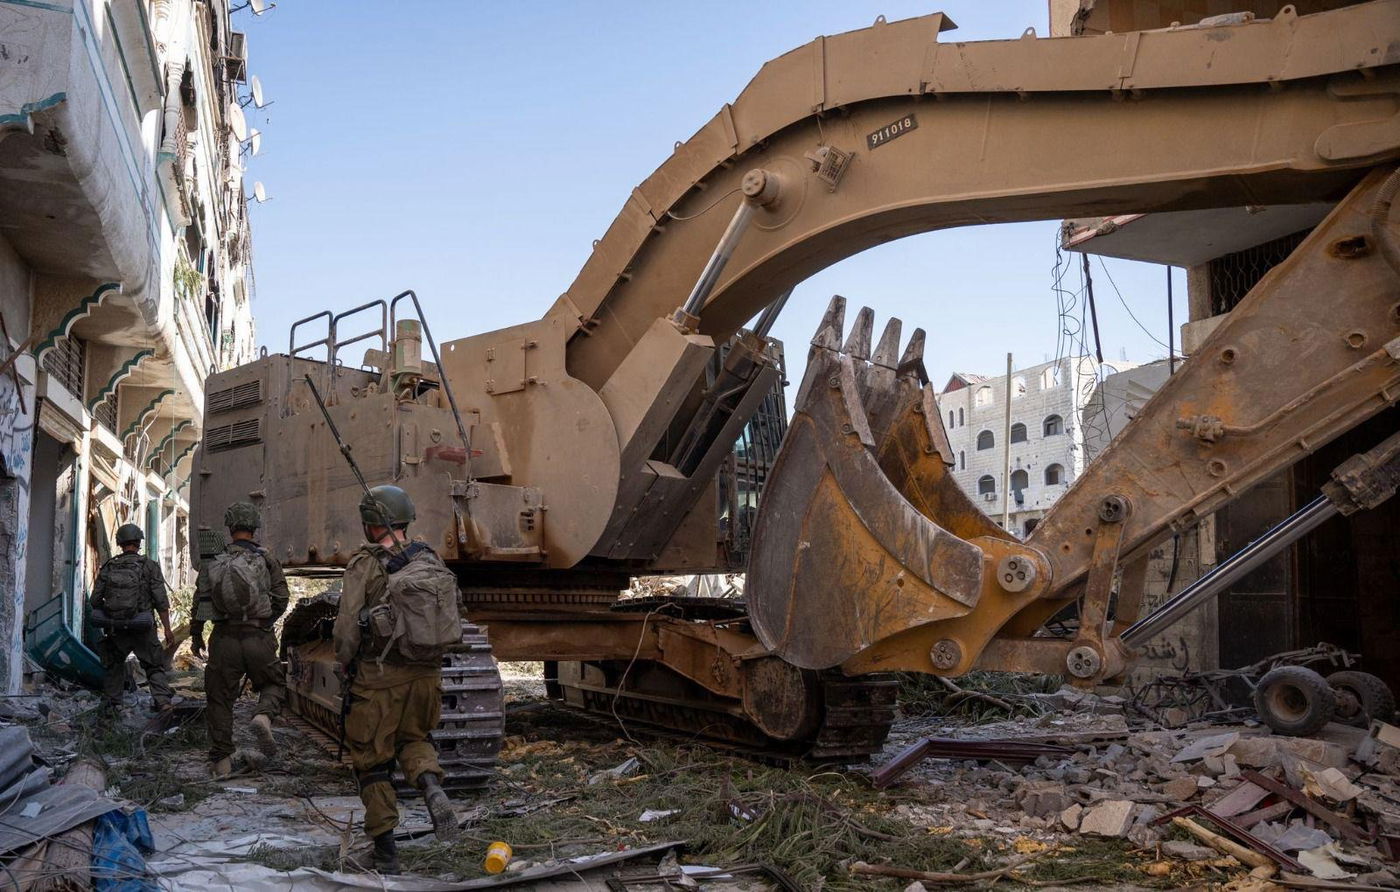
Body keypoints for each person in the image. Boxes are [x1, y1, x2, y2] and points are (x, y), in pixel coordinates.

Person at [334, 484, 461, 873]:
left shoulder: (364, 563)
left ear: (371, 525)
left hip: (379, 681)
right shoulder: (429, 557)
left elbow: (346, 630)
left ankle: (386, 853)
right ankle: (431, 787)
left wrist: (343, 663)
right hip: (426, 677)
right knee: (414, 739)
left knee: (372, 762)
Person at [191, 502, 289, 778]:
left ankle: (221, 761)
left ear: (230, 528)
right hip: (259, 636)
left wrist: (196, 634)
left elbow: (201, 601)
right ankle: (263, 716)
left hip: (224, 639)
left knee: (219, 699)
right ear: (254, 527)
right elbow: (282, 597)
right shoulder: (266, 559)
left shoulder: (215, 560)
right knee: (272, 683)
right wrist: (265, 622)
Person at [90, 523, 175, 712]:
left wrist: (112, 613)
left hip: (116, 628)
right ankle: (163, 703)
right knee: (154, 666)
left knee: (114, 666)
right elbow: (161, 600)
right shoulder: (150, 566)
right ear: (139, 542)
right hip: (143, 628)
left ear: (120, 542)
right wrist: (167, 630)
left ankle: (113, 707)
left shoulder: (109, 566)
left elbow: (95, 599)